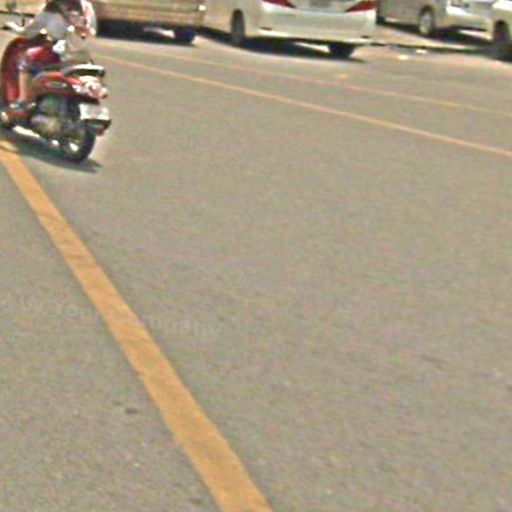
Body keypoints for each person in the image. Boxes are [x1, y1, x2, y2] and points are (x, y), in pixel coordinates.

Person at [4, 0, 97, 117]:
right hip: (81, 53)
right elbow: (92, 29)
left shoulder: (50, 10)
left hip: (57, 51)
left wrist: (12, 26)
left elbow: (28, 33)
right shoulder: (86, 8)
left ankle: (23, 101)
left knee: (26, 59)